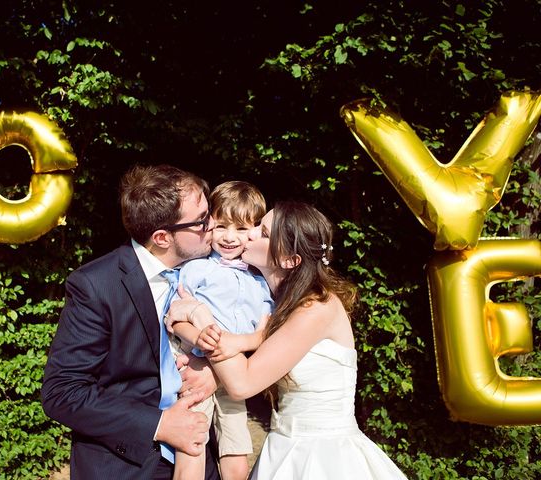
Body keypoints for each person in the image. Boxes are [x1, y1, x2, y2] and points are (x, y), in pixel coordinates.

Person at [167, 201, 408, 479]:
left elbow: (242, 382)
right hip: (283, 446)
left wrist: (200, 316)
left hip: (323, 455)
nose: (251, 233)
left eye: (264, 232)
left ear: (289, 260)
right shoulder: (273, 303)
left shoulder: (316, 307)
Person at [41, 164, 222, 480]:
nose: (213, 225)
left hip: (199, 458)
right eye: (202, 221)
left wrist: (215, 371)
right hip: (127, 465)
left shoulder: (217, 272)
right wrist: (159, 424)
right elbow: (63, 391)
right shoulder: (96, 286)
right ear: (163, 237)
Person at [168, 181, 274, 480]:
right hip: (193, 365)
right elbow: (176, 317)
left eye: (241, 229)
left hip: (233, 373)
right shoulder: (196, 269)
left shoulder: (259, 280)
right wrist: (197, 337)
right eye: (222, 226)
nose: (229, 237)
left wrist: (239, 345)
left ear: (254, 231)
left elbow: (265, 332)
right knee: (191, 448)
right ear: (209, 225)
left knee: (237, 452)